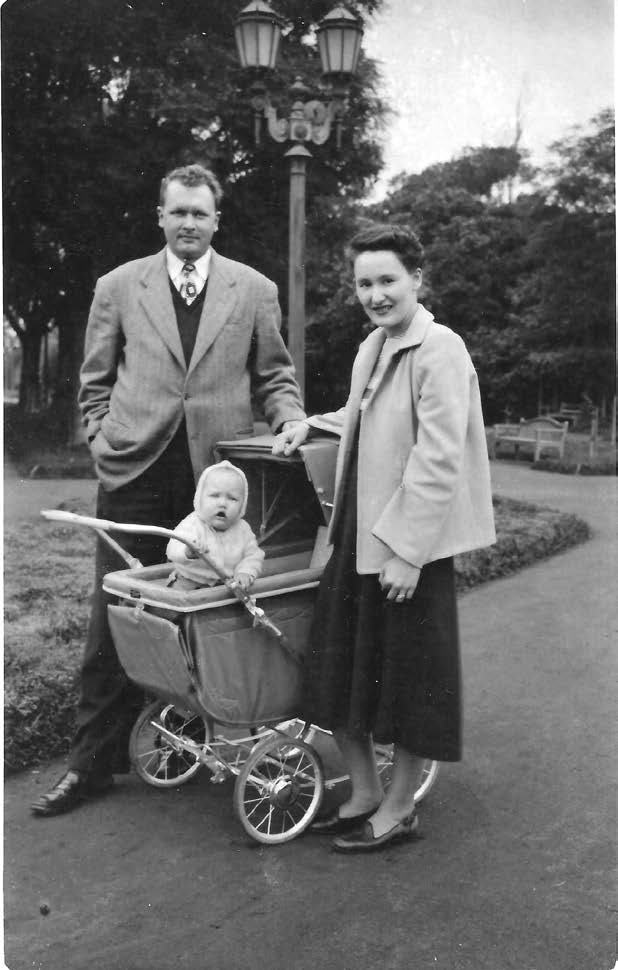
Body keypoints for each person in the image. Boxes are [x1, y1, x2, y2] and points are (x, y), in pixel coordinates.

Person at [32, 163, 305, 817]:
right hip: (134, 469)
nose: (188, 223)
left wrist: (291, 417)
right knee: (117, 613)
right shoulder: (120, 286)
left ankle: (192, 738)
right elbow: (93, 379)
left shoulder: (253, 289)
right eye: (177, 212)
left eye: (199, 213)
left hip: (215, 480)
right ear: (161, 215)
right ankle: (90, 766)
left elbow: (274, 375)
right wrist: (102, 437)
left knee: (213, 608)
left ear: (217, 220)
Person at [272, 223, 495, 853]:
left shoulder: (440, 348)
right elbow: (364, 414)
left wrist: (407, 551)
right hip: (358, 538)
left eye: (387, 280)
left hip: (406, 550)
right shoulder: (374, 345)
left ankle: (399, 810)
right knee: (342, 673)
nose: (376, 294)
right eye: (364, 283)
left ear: (418, 280)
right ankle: (365, 793)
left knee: (410, 684)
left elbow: (438, 455)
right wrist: (306, 423)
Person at [165, 460, 264, 591]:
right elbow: (173, 548)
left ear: (242, 505)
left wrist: (245, 572)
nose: (223, 503)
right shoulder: (192, 523)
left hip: (226, 586)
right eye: (215, 495)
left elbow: (253, 555)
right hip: (188, 582)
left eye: (232, 498)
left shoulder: (243, 529)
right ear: (200, 498)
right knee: (174, 605)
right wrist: (187, 552)